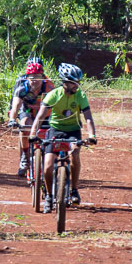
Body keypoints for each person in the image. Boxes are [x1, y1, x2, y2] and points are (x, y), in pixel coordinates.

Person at [29, 63, 97, 213]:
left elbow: (88, 118)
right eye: (73, 83)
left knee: (75, 154)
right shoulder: (53, 95)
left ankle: (74, 190)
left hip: (73, 130)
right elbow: (39, 117)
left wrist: (92, 135)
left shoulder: (80, 96)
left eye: (78, 83)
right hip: (55, 130)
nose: (76, 86)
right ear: (64, 82)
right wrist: (33, 134)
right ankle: (48, 195)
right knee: (47, 166)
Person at [6, 60, 54, 176]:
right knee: (25, 125)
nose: (35, 80)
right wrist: (12, 119)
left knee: (49, 132)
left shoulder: (49, 86)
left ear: (42, 77)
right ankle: (25, 156)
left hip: (43, 112)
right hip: (27, 110)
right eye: (32, 77)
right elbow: (16, 106)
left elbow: (56, 104)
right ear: (27, 78)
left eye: (38, 77)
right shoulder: (22, 87)